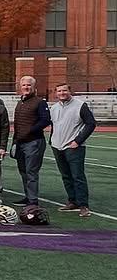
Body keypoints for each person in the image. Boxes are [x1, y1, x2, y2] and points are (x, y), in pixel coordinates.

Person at [50, 83, 96, 218]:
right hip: (57, 146)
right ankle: (72, 201)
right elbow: (54, 125)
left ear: (70, 91)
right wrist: (52, 140)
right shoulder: (54, 108)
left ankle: (83, 205)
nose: (62, 93)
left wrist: (78, 141)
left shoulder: (80, 105)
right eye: (59, 91)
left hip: (73, 147)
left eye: (64, 90)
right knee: (65, 175)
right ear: (56, 93)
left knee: (78, 176)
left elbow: (91, 124)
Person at [12, 75, 51, 207]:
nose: (26, 87)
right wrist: (15, 141)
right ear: (20, 87)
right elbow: (17, 124)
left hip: (33, 141)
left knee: (31, 172)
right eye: (24, 85)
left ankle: (33, 200)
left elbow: (45, 120)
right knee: (23, 171)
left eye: (29, 85)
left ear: (34, 87)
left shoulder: (40, 102)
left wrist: (30, 130)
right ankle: (28, 196)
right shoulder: (20, 102)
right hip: (20, 142)